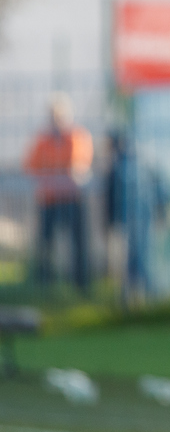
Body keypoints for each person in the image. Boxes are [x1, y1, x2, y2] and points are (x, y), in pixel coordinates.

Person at [26, 93, 94, 293]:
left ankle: (81, 285)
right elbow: (32, 165)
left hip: (72, 199)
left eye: (60, 116)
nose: (56, 120)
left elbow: (77, 166)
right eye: (53, 116)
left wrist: (59, 171)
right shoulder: (43, 140)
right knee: (45, 245)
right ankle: (45, 285)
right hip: (48, 200)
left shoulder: (77, 137)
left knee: (78, 244)